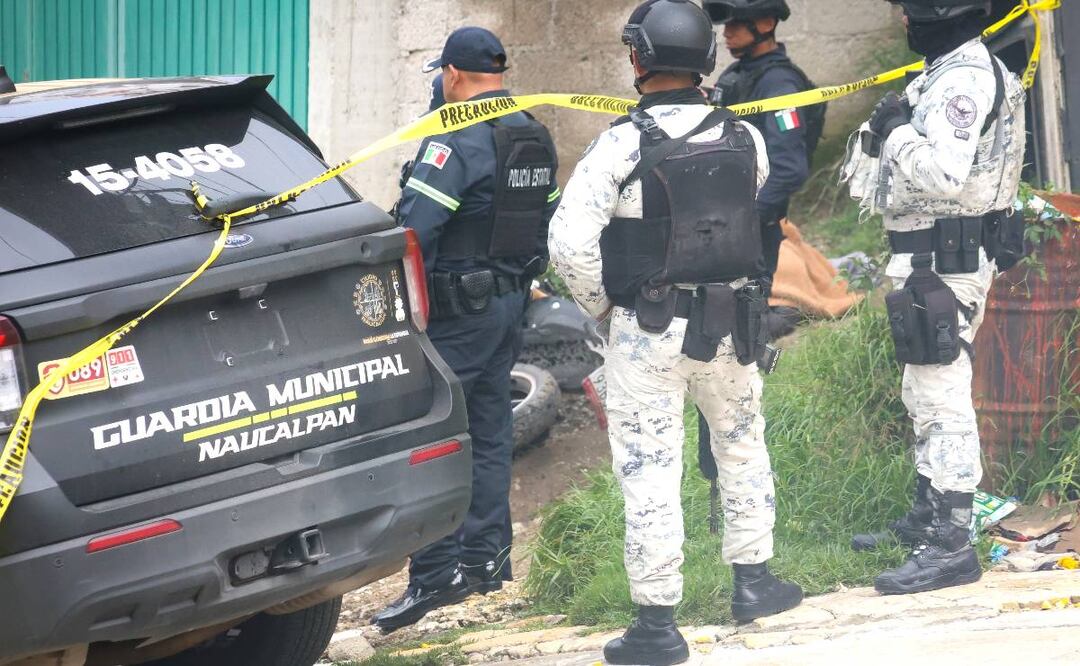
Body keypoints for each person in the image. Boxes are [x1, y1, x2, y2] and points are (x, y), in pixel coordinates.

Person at [549, 2, 802, 664]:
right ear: (707, 60)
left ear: (637, 58)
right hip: (732, 327)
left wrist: (603, 304)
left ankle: (658, 627)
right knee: (744, 447)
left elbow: (570, 243)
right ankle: (754, 583)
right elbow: (757, 194)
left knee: (650, 471)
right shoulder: (744, 137)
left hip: (649, 332)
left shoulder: (620, 144)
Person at [373, 26, 560, 632]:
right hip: (508, 308)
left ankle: (433, 576)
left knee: (434, 439)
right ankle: (485, 560)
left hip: (457, 314)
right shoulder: (533, 132)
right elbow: (544, 222)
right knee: (489, 430)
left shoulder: (453, 141)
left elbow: (414, 233)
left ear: (451, 76)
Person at [844, 0, 1026, 595]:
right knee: (922, 388)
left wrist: (896, 132)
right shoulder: (946, 71)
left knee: (943, 397)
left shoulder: (965, 78)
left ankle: (951, 543)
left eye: (909, 8)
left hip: (948, 260)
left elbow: (944, 175)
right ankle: (927, 516)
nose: (901, 18)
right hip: (931, 258)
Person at [703, 0, 822, 283]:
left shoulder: (780, 85)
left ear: (767, 24)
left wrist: (745, 218)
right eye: (725, 25)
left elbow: (789, 168)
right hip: (722, 214)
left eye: (735, 24)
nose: (726, 33)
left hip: (751, 224)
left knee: (748, 312)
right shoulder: (736, 74)